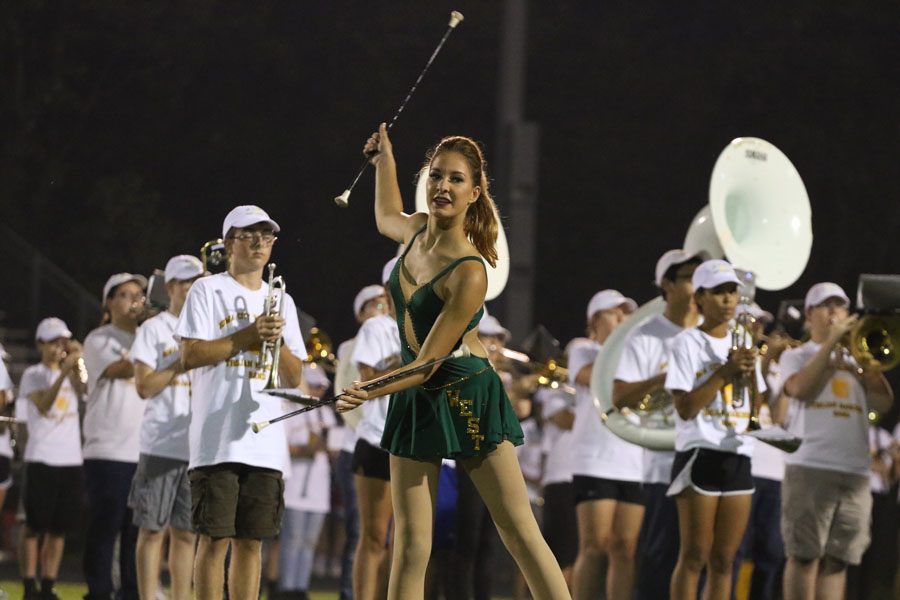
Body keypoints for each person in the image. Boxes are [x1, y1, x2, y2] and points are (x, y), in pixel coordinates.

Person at [338, 123, 571, 600]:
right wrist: (386, 160)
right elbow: (385, 214)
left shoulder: (469, 270)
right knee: (409, 547)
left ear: (475, 191)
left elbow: (427, 364)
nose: (443, 186)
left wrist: (368, 389)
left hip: (463, 391)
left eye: (456, 179)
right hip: (413, 394)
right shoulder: (415, 230)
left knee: (519, 533)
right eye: (437, 176)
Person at [177, 205, 306, 600]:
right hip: (218, 436)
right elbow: (190, 355)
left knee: (253, 542)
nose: (259, 243)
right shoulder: (206, 289)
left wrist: (276, 339)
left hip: (265, 438)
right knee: (214, 540)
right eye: (249, 235)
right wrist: (248, 335)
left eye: (267, 236)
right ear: (230, 241)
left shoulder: (281, 299)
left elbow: (295, 376)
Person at [779, 282, 893, 600]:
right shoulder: (796, 356)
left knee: (838, 561)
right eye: (826, 306)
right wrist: (830, 344)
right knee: (804, 557)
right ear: (809, 314)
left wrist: (868, 368)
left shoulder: (858, 359)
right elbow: (799, 389)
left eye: (840, 306)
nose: (834, 313)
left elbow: (882, 405)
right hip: (810, 465)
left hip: (856, 472)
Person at [665, 259, 765, 600]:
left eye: (732, 292)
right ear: (701, 298)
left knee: (725, 559)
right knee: (694, 556)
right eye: (719, 293)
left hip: (738, 452)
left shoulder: (744, 341)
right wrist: (726, 371)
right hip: (699, 451)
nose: (728, 300)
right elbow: (686, 407)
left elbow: (757, 405)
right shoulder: (685, 343)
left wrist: (749, 373)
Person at [612, 249, 704, 600]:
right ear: (667, 284)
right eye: (690, 278)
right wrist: (663, 377)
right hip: (663, 466)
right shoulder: (645, 335)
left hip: (705, 459)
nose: (699, 286)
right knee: (659, 560)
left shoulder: (711, 334)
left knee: (703, 558)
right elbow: (619, 397)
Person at [129, 255, 204, 600]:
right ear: (171, 287)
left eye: (196, 282)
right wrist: (181, 359)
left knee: (187, 534)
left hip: (196, 448)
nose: (192, 290)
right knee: (152, 529)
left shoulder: (208, 330)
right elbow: (145, 386)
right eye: (186, 283)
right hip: (160, 444)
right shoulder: (154, 329)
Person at [568, 289, 642, 600]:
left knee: (625, 549)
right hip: (595, 459)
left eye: (626, 314)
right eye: (614, 313)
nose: (623, 320)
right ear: (595, 319)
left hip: (634, 462)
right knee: (595, 545)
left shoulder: (640, 355)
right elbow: (596, 380)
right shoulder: (584, 349)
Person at [82, 272, 148, 600]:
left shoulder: (150, 337)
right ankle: (98, 591)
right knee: (105, 528)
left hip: (142, 450)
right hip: (106, 449)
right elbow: (123, 369)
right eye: (125, 294)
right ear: (109, 301)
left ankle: (131, 593)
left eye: (139, 294)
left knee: (136, 532)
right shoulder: (98, 339)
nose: (135, 300)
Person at [17, 318, 85, 600]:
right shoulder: (33, 374)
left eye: (63, 341)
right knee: (34, 526)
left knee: (59, 529)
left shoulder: (73, 372)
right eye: (54, 341)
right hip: (41, 457)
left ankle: (48, 584)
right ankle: (29, 584)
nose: (60, 346)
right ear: (40, 345)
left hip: (70, 459)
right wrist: (62, 373)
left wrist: (77, 365)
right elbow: (44, 406)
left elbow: (85, 392)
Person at [350, 276, 400, 600]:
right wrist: (405, 366)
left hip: (412, 444)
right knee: (374, 537)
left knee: (406, 542)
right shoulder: (376, 327)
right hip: (377, 439)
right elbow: (366, 383)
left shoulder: (430, 327)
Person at [280, 364, 335, 600]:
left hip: (318, 487)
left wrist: (329, 449)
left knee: (309, 542)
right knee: (292, 540)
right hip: (295, 486)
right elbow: (283, 446)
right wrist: (306, 449)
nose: (319, 391)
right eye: (314, 386)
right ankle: (287, 587)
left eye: (322, 387)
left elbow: (335, 447)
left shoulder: (326, 414)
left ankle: (301, 587)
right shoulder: (292, 409)